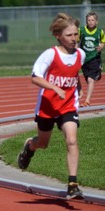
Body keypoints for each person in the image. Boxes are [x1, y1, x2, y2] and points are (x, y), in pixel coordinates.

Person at [17, 13, 86, 200]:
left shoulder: (81, 54)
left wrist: (78, 87)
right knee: (43, 143)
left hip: (68, 106)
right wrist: (55, 87)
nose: (74, 39)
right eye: (69, 35)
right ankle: (30, 147)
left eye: (76, 34)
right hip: (47, 106)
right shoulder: (50, 54)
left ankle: (72, 184)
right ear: (59, 36)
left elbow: (74, 74)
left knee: (71, 140)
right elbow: (35, 77)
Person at [78, 12, 105, 107]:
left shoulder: (99, 32)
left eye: (92, 20)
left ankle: (87, 101)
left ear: (96, 22)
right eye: (88, 20)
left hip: (94, 57)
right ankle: (98, 72)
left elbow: (103, 41)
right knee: (86, 78)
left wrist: (101, 46)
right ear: (86, 21)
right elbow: (77, 41)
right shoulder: (81, 30)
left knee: (90, 79)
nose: (90, 22)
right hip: (84, 58)